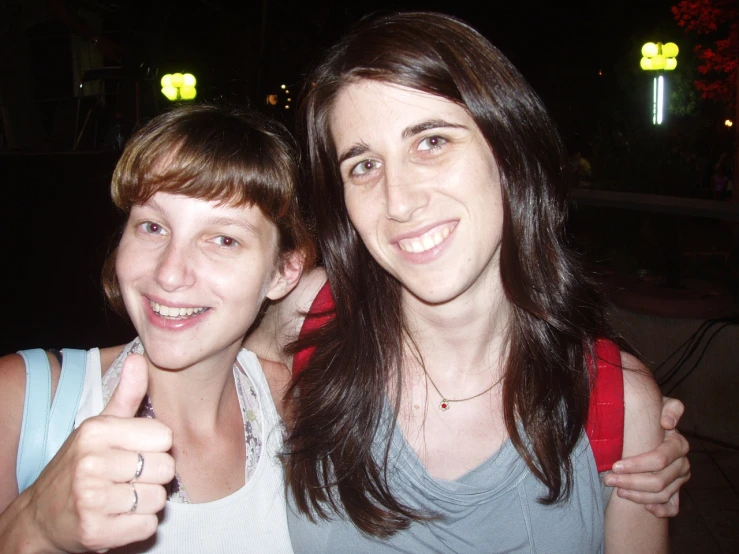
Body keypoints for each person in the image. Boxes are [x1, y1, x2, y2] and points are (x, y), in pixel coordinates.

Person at [269, 12, 684, 552]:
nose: (399, 201)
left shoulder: (614, 400)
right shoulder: (309, 314)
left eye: (432, 142)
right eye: (364, 166)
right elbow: (163, 345)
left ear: (508, 152)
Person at [0, 104, 313, 552]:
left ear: (284, 271)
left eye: (223, 239)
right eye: (152, 226)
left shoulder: (290, 404)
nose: (170, 273)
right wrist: (34, 526)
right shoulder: (22, 400)